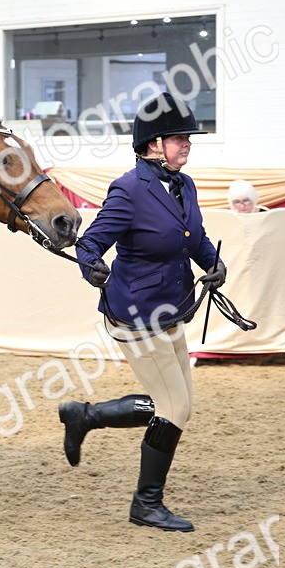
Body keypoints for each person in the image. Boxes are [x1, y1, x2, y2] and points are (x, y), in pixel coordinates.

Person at [57, 92, 226, 533]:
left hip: (173, 307)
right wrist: (90, 266)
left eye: (188, 138)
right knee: (175, 406)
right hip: (135, 312)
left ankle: (86, 416)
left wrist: (214, 264)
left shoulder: (184, 184)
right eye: (179, 138)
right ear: (153, 144)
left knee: (179, 405)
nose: (187, 144)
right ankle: (146, 504)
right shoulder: (130, 190)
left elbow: (195, 237)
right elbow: (91, 243)